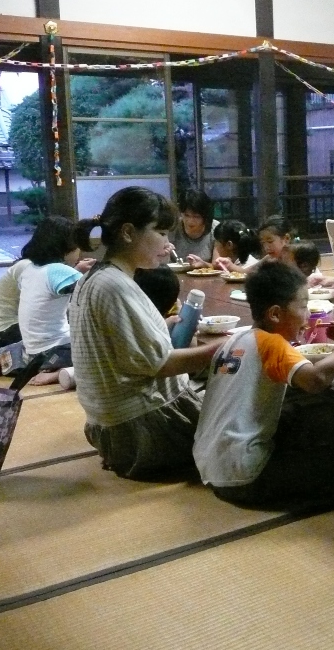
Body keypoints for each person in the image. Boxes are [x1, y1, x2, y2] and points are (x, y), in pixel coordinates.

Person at [69, 187, 224, 479]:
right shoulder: (115, 286)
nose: (167, 243)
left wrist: (164, 327)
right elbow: (161, 365)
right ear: (128, 232)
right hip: (146, 429)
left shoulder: (95, 277)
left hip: (115, 427)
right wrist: (224, 348)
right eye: (161, 232)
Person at [193, 261, 334, 505]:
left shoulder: (235, 339)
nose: (308, 315)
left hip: (210, 469)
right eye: (303, 306)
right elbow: (316, 380)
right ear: (276, 314)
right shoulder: (272, 343)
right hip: (247, 477)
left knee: (293, 414)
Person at [13, 216, 84, 385]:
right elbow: (95, 292)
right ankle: (60, 373)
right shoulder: (60, 271)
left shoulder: (28, 269)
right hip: (58, 350)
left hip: (32, 353)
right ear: (66, 247)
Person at [214, 215, 293, 274]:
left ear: (286, 239)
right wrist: (230, 266)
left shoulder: (295, 256)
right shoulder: (269, 258)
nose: (266, 247)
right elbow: (247, 272)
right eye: (263, 243)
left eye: (270, 241)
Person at [169, 189, 217, 266]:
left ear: (205, 216)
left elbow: (219, 266)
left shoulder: (215, 229)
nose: (190, 221)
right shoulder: (172, 227)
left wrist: (204, 264)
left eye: (196, 216)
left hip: (206, 273)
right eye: (186, 215)